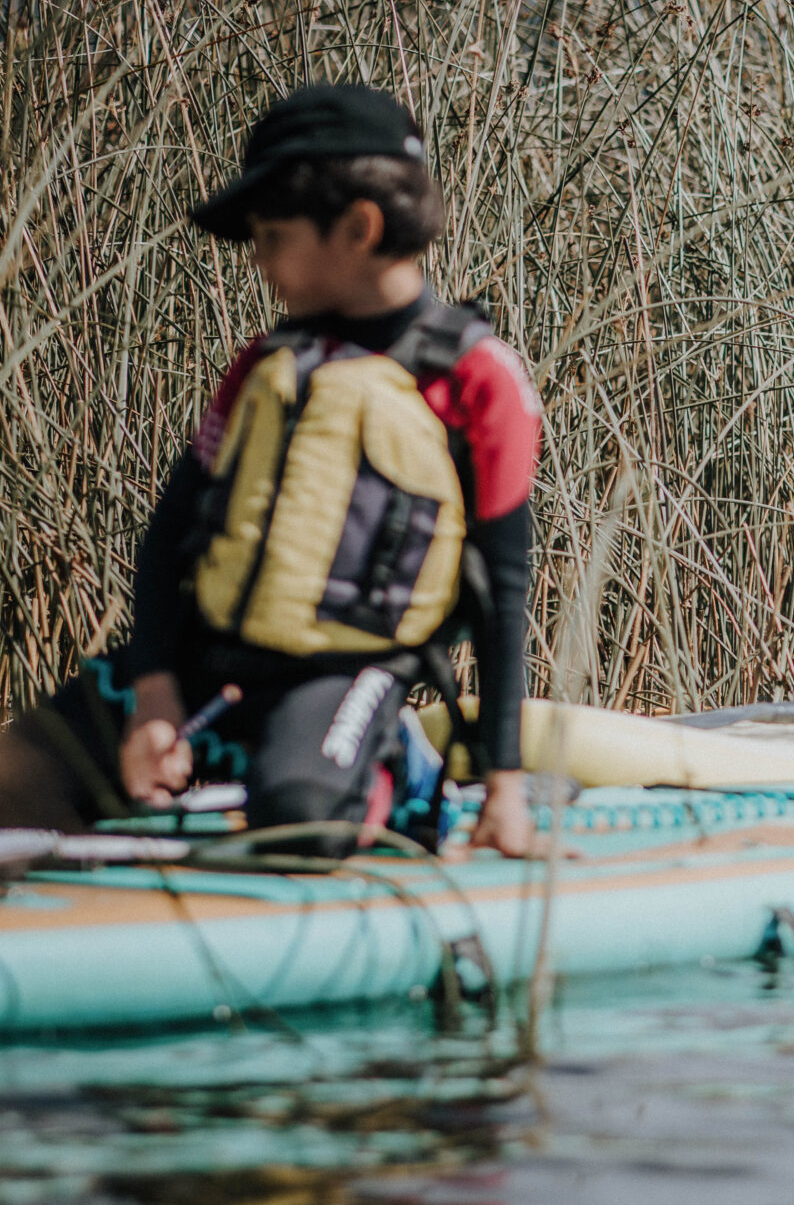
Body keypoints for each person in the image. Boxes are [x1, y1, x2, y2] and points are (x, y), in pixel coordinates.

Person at [0, 84, 541, 854]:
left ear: (359, 226)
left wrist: (505, 787)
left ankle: (396, 767)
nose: (257, 259)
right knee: (16, 779)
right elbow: (169, 535)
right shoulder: (268, 364)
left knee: (302, 827)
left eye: (272, 235)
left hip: (344, 675)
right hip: (203, 663)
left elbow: (504, 590)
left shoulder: (480, 380)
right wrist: (154, 696)